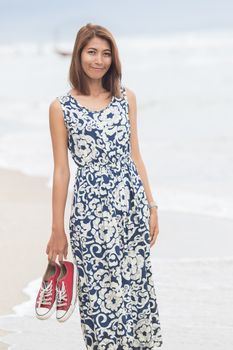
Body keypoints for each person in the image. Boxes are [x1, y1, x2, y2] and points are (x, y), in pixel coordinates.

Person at [46, 23, 163, 349]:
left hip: (130, 209)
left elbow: (135, 156)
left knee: (134, 290)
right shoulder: (61, 108)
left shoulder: (126, 98)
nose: (99, 60)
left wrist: (151, 205)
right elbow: (61, 171)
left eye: (106, 53)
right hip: (90, 216)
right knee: (100, 296)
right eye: (92, 52)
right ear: (79, 55)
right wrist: (57, 228)